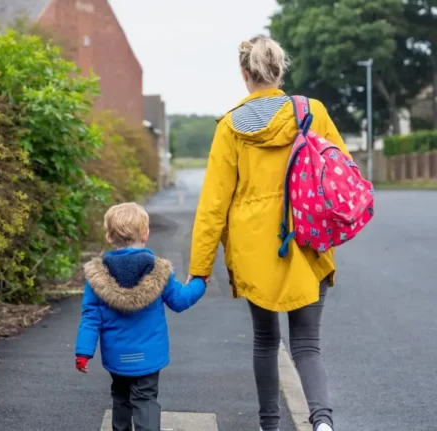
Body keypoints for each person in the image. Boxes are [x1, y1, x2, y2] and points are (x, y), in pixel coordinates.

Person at [187, 35, 351, 431]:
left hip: (255, 249)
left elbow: (213, 204)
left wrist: (199, 268)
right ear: (279, 70)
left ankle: (270, 425)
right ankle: (323, 422)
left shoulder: (229, 127)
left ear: (245, 75)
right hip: (308, 240)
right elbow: (342, 169)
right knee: (307, 345)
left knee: (265, 341)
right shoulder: (312, 112)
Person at [74, 202, 207, 431]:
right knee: (145, 399)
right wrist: (199, 283)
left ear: (109, 237)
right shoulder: (158, 271)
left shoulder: (97, 276)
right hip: (149, 355)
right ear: (145, 234)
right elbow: (180, 300)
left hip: (117, 356)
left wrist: (83, 353)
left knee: (121, 398)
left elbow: (90, 317)